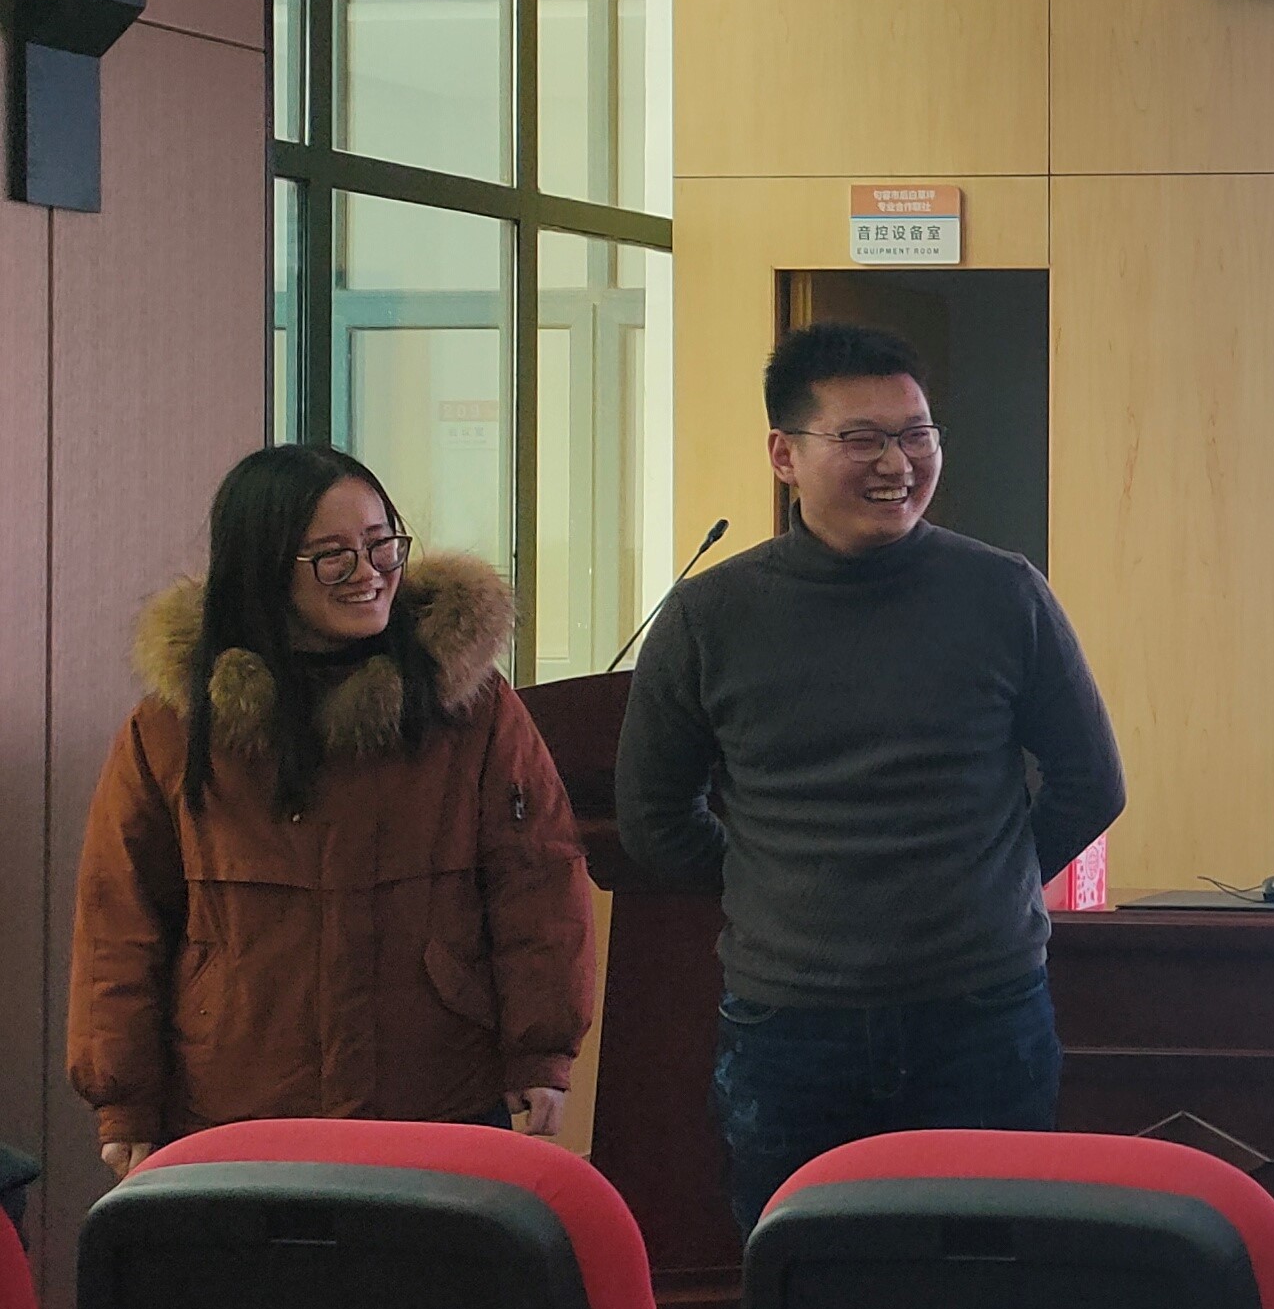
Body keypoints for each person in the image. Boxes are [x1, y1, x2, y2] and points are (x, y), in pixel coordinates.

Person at [618, 322, 1123, 1231]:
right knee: (807, 1275)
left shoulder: (1003, 593)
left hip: (981, 1016)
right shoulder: (709, 616)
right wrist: (780, 890)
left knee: (988, 1272)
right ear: (785, 455)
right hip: (789, 1027)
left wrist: (987, 882)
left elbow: (1091, 782)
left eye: (916, 434)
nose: (898, 462)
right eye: (862, 438)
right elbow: (653, 817)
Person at [72, 445, 594, 1172]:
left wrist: (540, 1052)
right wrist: (124, 1098)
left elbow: (536, 884)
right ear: (262, 567)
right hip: (236, 1106)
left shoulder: (469, 709)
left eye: (382, 544)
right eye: (332, 557)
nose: (369, 573)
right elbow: (121, 923)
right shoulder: (173, 728)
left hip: (435, 1096)